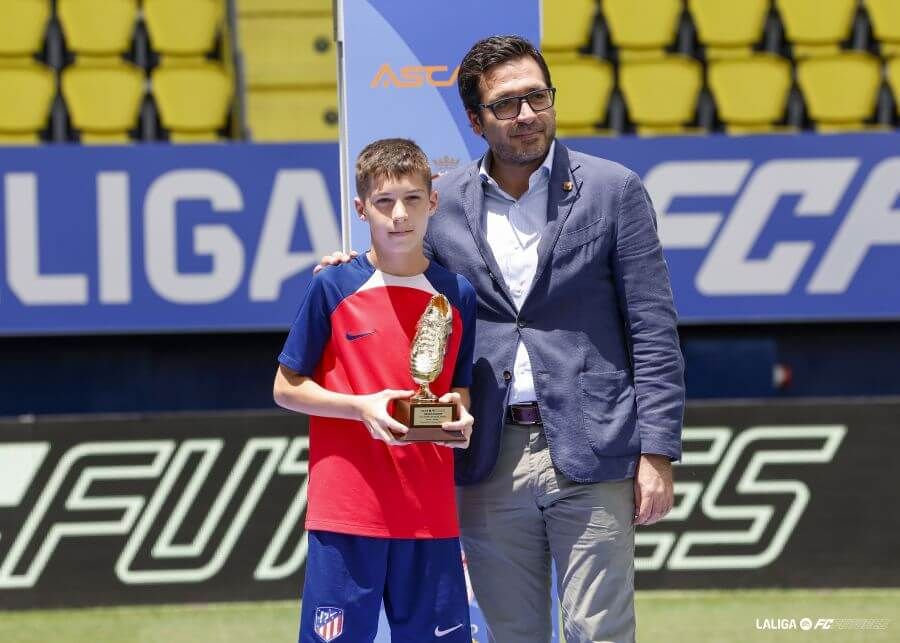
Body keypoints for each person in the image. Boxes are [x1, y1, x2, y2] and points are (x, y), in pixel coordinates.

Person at [319, 36, 685, 643]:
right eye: (507, 105)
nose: (527, 116)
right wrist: (354, 268)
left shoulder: (613, 190)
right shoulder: (446, 203)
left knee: (601, 633)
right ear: (475, 119)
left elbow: (652, 329)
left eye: (537, 98)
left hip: (596, 447)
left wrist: (658, 453)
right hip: (488, 453)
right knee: (513, 635)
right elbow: (403, 273)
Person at [274, 138, 477, 643]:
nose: (399, 216)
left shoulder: (457, 294)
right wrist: (360, 406)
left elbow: (457, 389)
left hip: (430, 514)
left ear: (433, 202)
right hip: (347, 512)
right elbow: (285, 387)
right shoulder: (333, 287)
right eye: (384, 203)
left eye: (411, 199)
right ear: (362, 209)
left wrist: (458, 416)